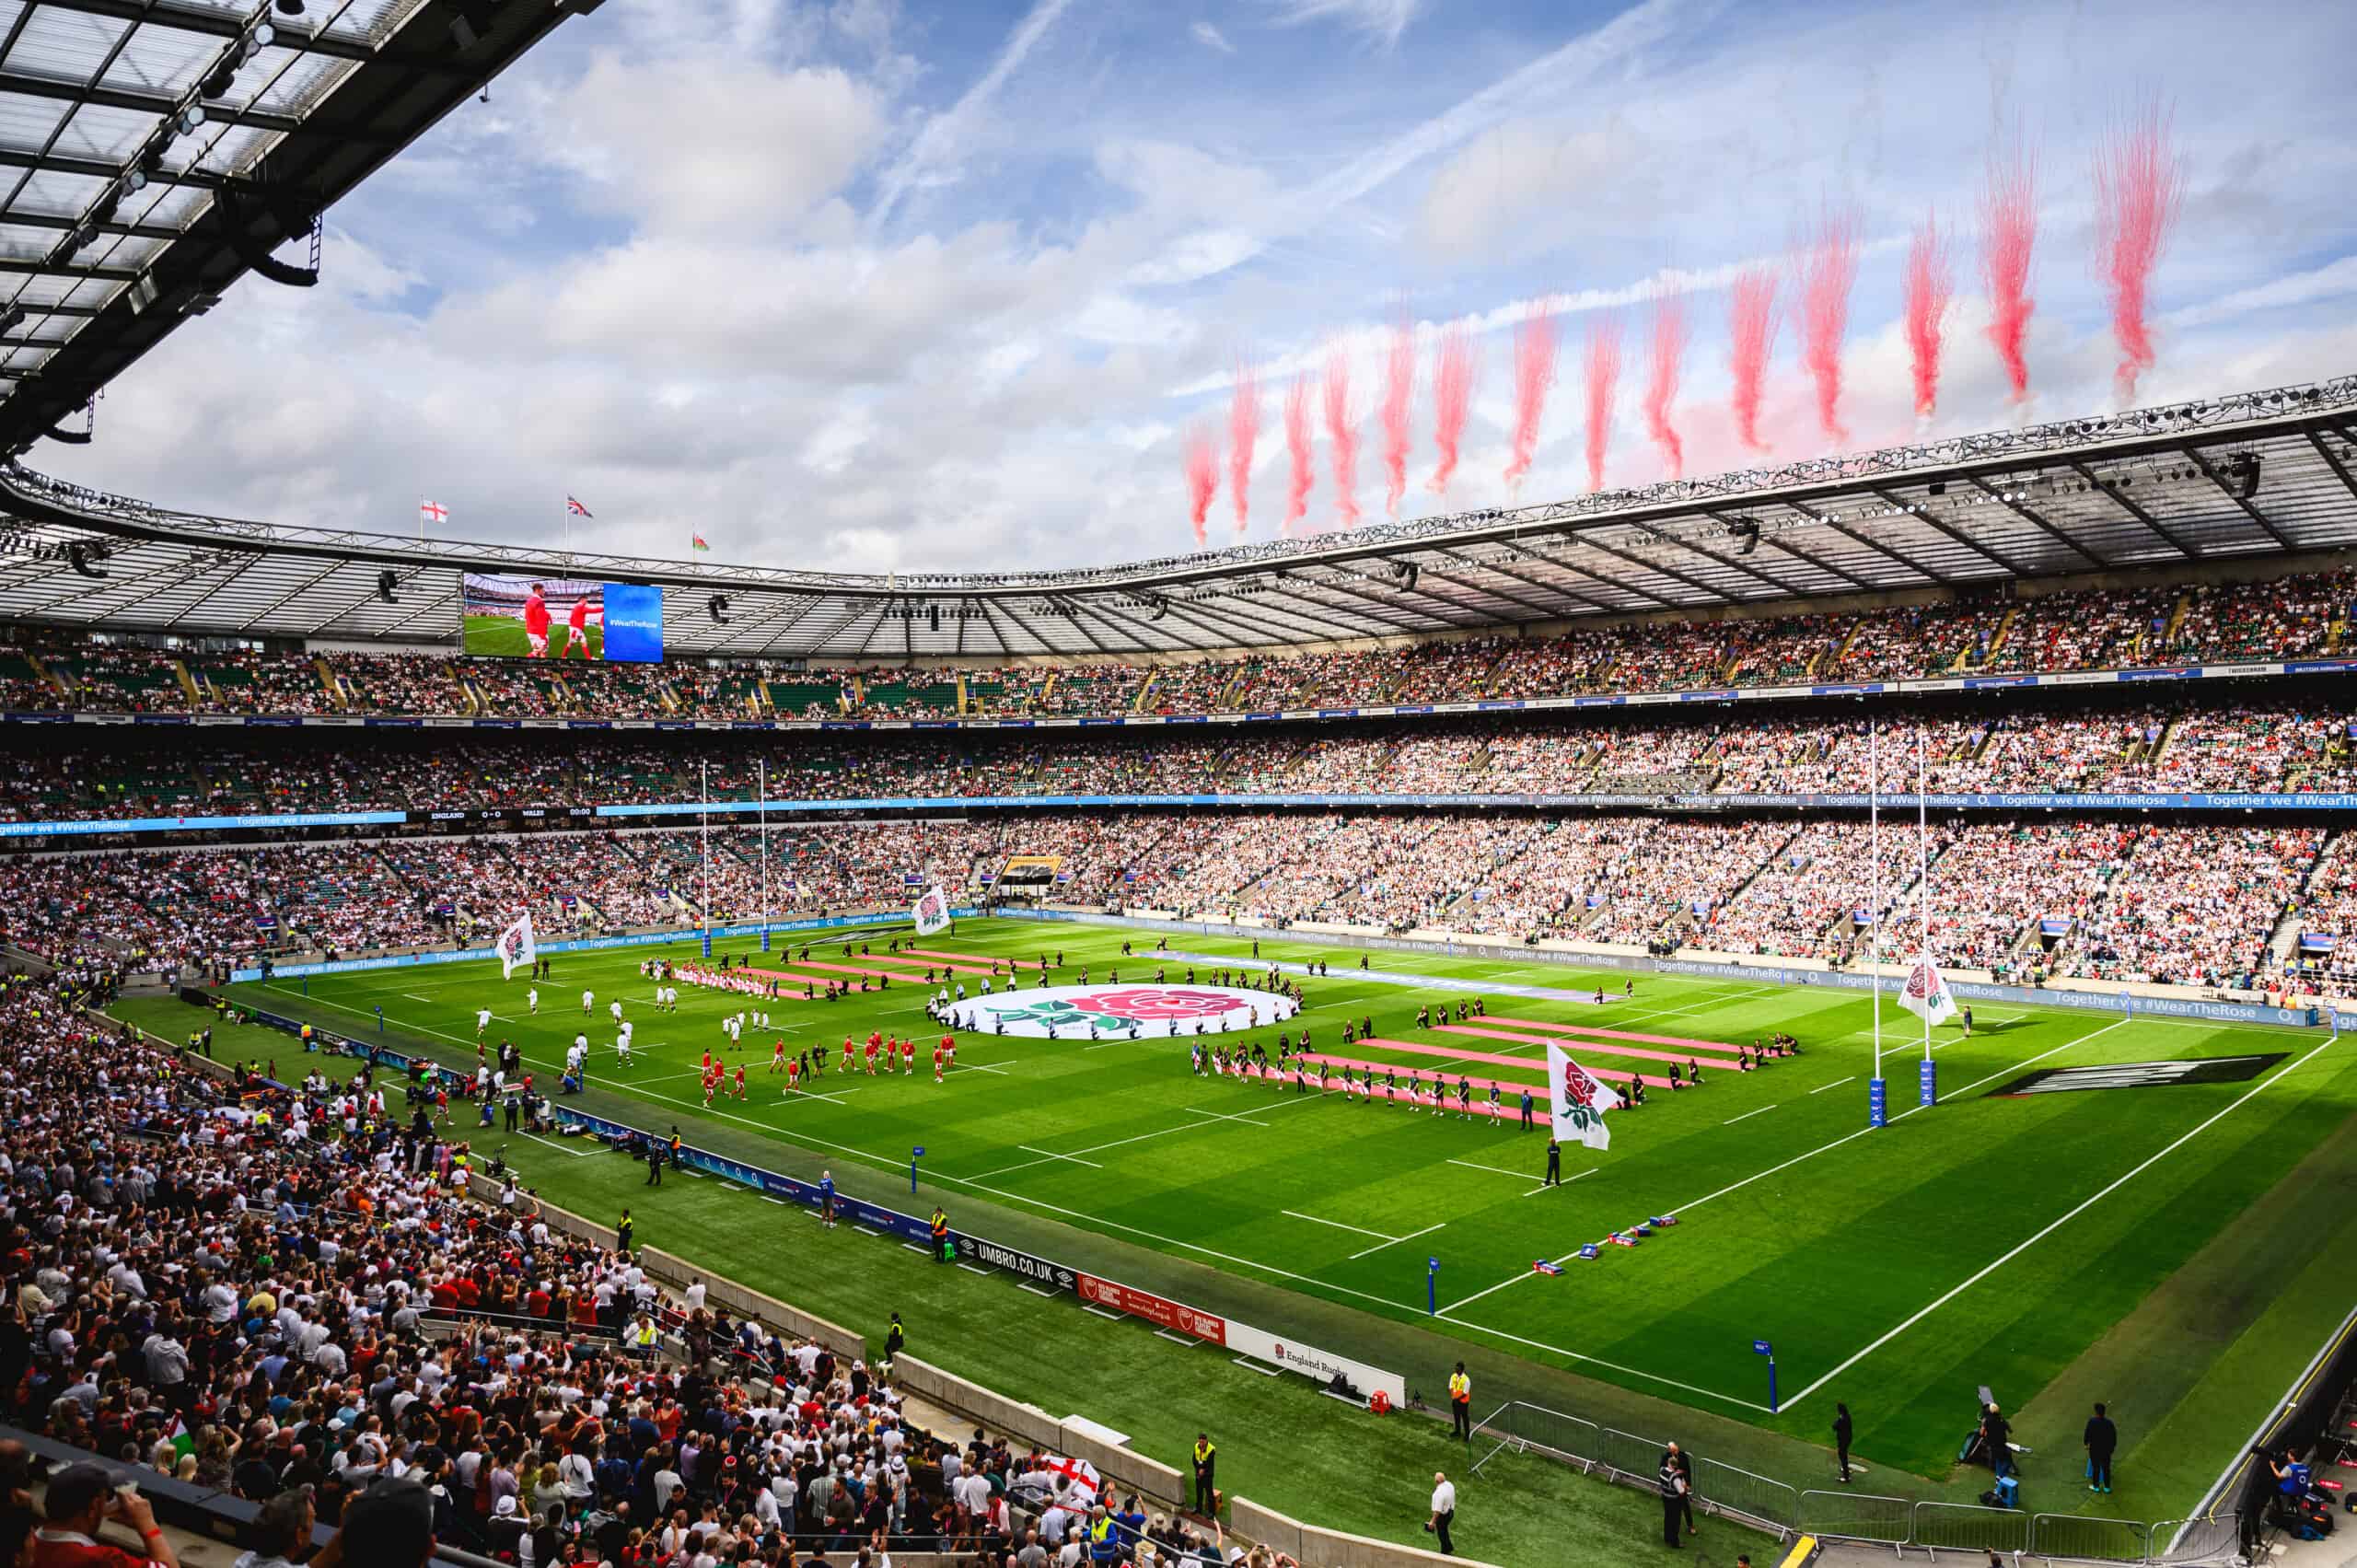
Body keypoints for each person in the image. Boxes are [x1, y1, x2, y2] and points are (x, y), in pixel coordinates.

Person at [33, 1463, 181, 1568]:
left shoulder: (28, 1541)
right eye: (106, 1498)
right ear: (94, 1506)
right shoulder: (102, 1560)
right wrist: (148, 1525)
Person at [2084, 1401, 2117, 1493]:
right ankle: (2107, 1487)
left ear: (2096, 1412)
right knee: (2106, 1468)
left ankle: (2096, 1486)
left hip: (2095, 1450)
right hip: (2106, 1450)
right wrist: (2112, 1448)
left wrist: (2086, 1444)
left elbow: (2087, 1434)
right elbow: (2113, 1437)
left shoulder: (2092, 1422)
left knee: (2096, 1468)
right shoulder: (2109, 1423)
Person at [1656, 1450, 1685, 1548]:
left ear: (1668, 1463)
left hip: (1665, 1497)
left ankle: (1667, 1537)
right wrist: (1684, 1484)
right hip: (1674, 1500)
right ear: (1676, 1466)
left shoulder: (1661, 1470)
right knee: (1675, 1521)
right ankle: (1675, 1542)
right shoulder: (1675, 1478)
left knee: (1668, 1518)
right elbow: (1681, 1491)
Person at [1426, 1471, 1455, 1557]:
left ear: (1437, 1481)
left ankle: (1445, 1551)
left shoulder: (1439, 1493)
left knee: (1441, 1533)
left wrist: (1432, 1522)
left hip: (1443, 1515)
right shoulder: (1450, 1485)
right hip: (1450, 1511)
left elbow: (1437, 1510)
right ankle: (1449, 1547)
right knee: (1444, 1530)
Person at [1190, 1434, 1216, 1516]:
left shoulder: (1211, 1449)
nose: (1201, 1444)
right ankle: (1198, 1508)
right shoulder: (1196, 1446)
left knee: (1209, 1493)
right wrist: (1198, 1469)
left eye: (1203, 1442)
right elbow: (1194, 1459)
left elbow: (1209, 1463)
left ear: (1206, 1441)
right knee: (1199, 1491)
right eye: (1200, 1442)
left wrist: (1203, 1470)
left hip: (1208, 1474)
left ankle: (1211, 1512)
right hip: (1198, 1473)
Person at [1447, 1363, 1471, 1441]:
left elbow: (1465, 1392)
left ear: (1462, 1369)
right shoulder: (1453, 1376)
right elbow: (1450, 1387)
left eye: (1458, 1369)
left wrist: (1457, 1399)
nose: (1456, 1370)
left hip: (1463, 1402)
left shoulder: (1466, 1380)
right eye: (1456, 1368)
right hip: (1455, 1400)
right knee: (1456, 1416)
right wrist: (1453, 1397)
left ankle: (1467, 1435)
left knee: (1465, 1418)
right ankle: (1457, 1431)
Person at [1833, 1401, 1854, 1483]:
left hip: (1843, 1440)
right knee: (1843, 1455)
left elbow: (1835, 1426)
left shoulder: (1842, 1419)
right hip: (1848, 1439)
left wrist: (1838, 1421)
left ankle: (1846, 1477)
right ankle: (1846, 1470)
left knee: (1842, 1455)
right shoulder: (1847, 1416)